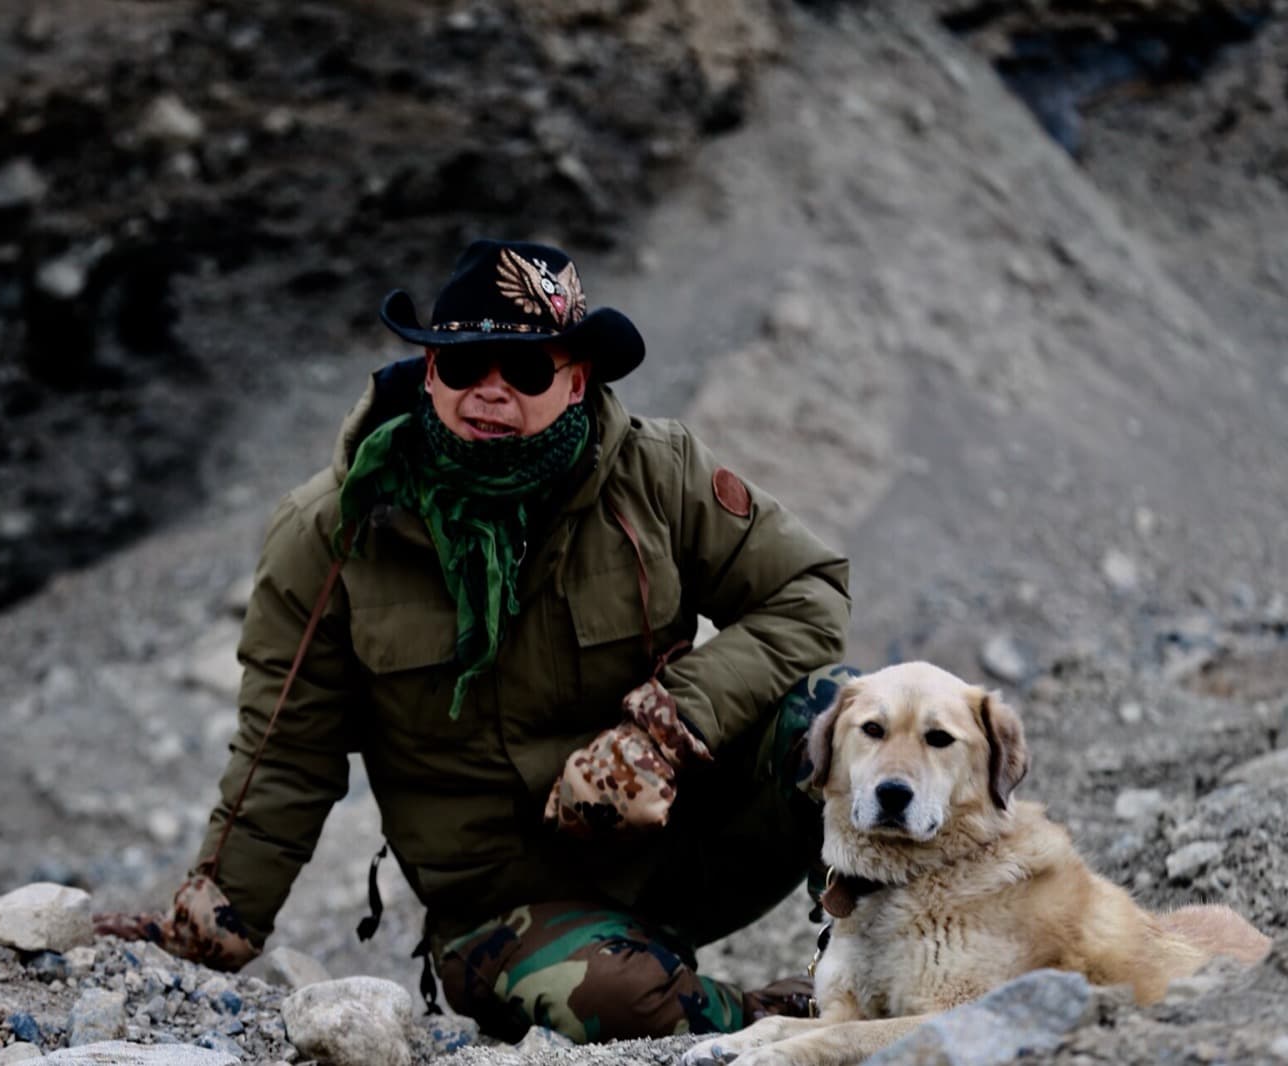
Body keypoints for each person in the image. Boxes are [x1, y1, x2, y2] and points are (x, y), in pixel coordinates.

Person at [98, 239, 853, 1042]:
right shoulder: (333, 530)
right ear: (429, 372)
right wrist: (210, 930)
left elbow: (808, 592)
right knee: (613, 1001)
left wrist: (667, 725)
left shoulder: (657, 476)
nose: (489, 392)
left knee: (842, 712)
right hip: (505, 913)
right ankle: (770, 1019)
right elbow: (285, 749)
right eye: (462, 366)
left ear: (577, 380)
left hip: (680, 846)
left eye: (526, 371)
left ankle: (878, 963)